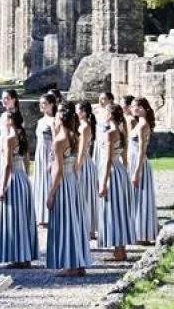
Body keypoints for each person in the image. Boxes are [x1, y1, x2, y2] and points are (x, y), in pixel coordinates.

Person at [46, 103, 90, 276]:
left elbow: (58, 170)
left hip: (63, 182)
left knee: (65, 221)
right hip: (73, 181)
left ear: (60, 119)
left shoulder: (59, 141)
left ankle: (69, 265)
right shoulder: (74, 136)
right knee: (75, 220)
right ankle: (78, 263)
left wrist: (51, 193)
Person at [0, 109, 37, 268]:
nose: (3, 119)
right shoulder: (22, 136)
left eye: (5, 117)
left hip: (12, 179)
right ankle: (25, 256)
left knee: (14, 218)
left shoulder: (9, 138)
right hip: (22, 178)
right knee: (22, 217)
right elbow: (26, 161)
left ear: (10, 121)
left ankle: (18, 257)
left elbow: (6, 165)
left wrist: (2, 187)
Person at [98, 103, 134, 261]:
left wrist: (103, 183)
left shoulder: (110, 133)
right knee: (121, 209)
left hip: (112, 171)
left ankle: (119, 251)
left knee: (113, 209)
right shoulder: (121, 131)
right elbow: (124, 158)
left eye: (106, 112)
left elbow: (107, 160)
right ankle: (121, 249)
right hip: (120, 171)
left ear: (110, 115)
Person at [130, 97, 157, 244]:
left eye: (135, 106)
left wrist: (136, 171)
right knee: (135, 197)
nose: (132, 108)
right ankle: (137, 232)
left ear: (142, 108)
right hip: (134, 162)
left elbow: (141, 150)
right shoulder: (139, 124)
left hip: (139, 163)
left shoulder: (142, 126)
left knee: (141, 197)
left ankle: (143, 233)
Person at [32, 93, 57, 227]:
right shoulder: (40, 121)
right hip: (40, 153)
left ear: (51, 104)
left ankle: (48, 214)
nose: (41, 106)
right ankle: (40, 215)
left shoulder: (53, 121)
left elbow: (56, 141)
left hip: (48, 154)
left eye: (44, 103)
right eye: (40, 103)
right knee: (39, 181)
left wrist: (51, 159)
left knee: (48, 182)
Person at [76, 101, 99, 240]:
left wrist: (76, 167)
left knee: (86, 195)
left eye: (78, 110)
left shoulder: (85, 127)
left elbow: (82, 149)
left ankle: (89, 229)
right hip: (83, 163)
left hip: (84, 163)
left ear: (84, 112)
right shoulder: (80, 125)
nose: (76, 112)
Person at [0, 89, 20, 172]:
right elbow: (2, 134)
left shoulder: (16, 116)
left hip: (11, 147)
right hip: (2, 145)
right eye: (2, 98)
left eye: (6, 98)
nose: (3, 100)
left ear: (13, 99)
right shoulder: (3, 115)